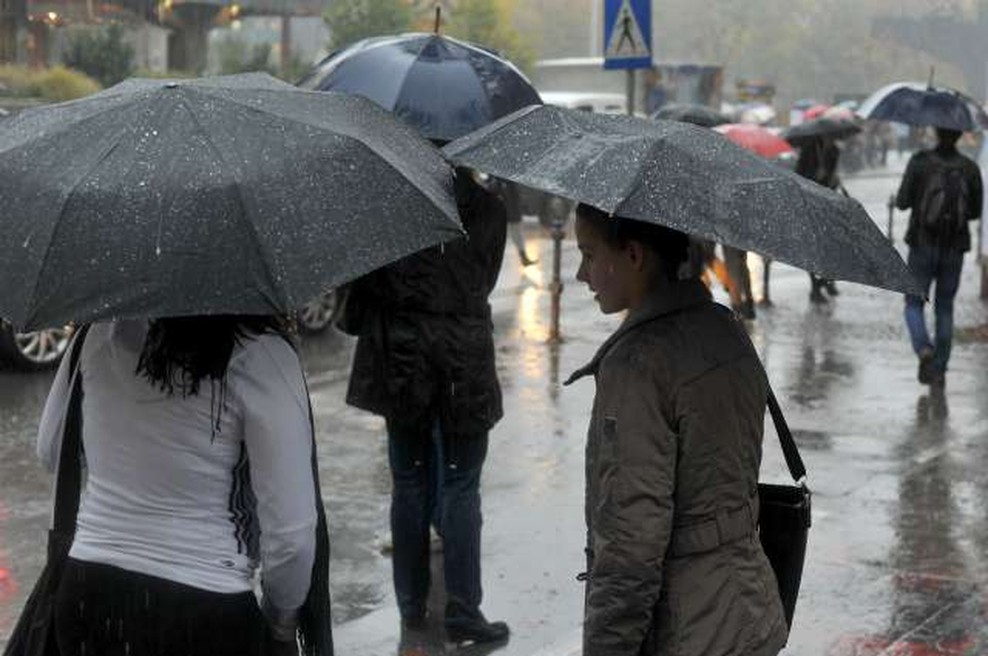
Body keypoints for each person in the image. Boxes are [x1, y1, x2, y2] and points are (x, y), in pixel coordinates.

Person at [566, 204, 788, 656]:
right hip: (749, 610)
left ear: (633, 255)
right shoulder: (725, 329)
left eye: (588, 256)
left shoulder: (639, 365)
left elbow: (631, 541)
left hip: (685, 630)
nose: (579, 275)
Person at [37, 316, 331, 656]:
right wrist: (282, 622)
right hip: (206, 607)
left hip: (90, 590)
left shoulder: (97, 332)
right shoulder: (261, 353)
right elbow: (291, 535)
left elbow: (51, 450)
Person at [343, 168, 510, 645]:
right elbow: (485, 280)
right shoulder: (488, 207)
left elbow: (363, 288)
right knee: (460, 484)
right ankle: (463, 609)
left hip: (402, 359)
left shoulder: (387, 207)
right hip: (463, 358)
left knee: (409, 481)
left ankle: (412, 606)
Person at [895, 127, 983, 388]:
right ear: (958, 135)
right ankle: (940, 369)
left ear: (935, 132)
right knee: (945, 308)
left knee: (913, 303)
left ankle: (923, 349)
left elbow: (901, 201)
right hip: (954, 248)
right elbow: (975, 211)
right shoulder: (969, 167)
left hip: (921, 245)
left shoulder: (920, 162)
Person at [795, 135, 842, 302]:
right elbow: (798, 176)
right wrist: (815, 176)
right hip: (810, 204)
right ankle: (815, 288)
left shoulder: (834, 150)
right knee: (813, 250)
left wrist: (833, 179)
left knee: (830, 247)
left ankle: (827, 280)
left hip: (827, 204)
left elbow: (834, 177)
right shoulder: (809, 149)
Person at [498, 178, 538, 267]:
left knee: (516, 235)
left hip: (512, 211)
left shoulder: (507, 180)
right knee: (516, 235)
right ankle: (524, 258)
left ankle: (524, 257)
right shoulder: (505, 180)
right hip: (511, 212)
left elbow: (515, 196)